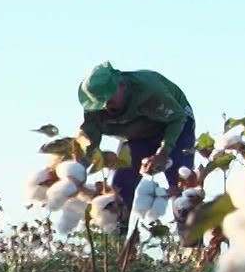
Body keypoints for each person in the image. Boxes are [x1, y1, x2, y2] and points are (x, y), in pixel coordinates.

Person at [76, 63, 195, 232]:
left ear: (122, 86)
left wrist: (164, 151)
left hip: (176, 124)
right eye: (99, 103)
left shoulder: (150, 89)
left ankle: (192, 246)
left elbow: (177, 119)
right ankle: (116, 248)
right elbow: (89, 141)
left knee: (182, 189)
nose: (105, 106)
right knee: (119, 189)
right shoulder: (94, 108)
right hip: (138, 135)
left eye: (109, 100)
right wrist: (75, 172)